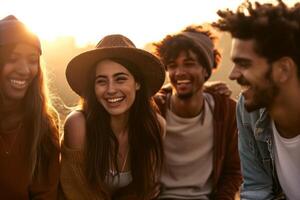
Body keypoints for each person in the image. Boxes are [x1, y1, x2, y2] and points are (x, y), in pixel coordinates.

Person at [60, 34, 166, 200]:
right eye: (102, 81)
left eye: (120, 79)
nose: (110, 89)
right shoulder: (78, 126)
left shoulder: (154, 126)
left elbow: (147, 192)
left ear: (137, 83)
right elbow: (78, 194)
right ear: (93, 87)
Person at [213, 1, 300, 199]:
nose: (233, 75)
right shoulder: (248, 109)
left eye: (243, 64)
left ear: (283, 69)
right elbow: (256, 189)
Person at [153, 25, 242, 199]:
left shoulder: (226, 111)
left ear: (206, 69)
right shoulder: (154, 109)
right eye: (172, 65)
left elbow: (233, 171)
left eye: (189, 64)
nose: (179, 72)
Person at [0, 15, 60, 199]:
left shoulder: (44, 125)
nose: (25, 70)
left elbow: (45, 193)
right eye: (12, 58)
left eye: (32, 60)